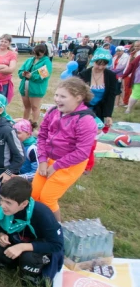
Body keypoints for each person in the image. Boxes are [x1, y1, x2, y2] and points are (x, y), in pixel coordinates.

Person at [33, 78, 97, 222]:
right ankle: (37, 223)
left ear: (78, 98)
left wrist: (57, 166)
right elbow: (42, 135)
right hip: (48, 158)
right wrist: (42, 160)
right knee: (35, 194)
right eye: (56, 95)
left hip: (70, 164)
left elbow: (82, 153)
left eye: (63, 96)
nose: (57, 99)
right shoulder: (53, 111)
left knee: (47, 198)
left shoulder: (85, 120)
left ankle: (56, 230)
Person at [0, 177, 64, 287]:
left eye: (8, 202)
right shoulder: (5, 208)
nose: (3, 205)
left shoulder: (42, 213)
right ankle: (13, 264)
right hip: (18, 240)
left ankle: (31, 276)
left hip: (40, 246)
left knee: (29, 258)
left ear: (23, 204)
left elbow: (57, 245)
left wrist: (22, 247)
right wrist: (1, 235)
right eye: (2, 199)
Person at [78, 48, 117, 129]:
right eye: (98, 64)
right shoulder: (83, 75)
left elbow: (110, 96)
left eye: (104, 64)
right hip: (83, 108)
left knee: (97, 131)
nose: (100, 67)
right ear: (93, 61)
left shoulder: (111, 76)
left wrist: (108, 115)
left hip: (99, 109)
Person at [18, 44, 52, 121]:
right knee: (27, 107)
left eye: (39, 55)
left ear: (44, 53)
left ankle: (34, 123)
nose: (36, 56)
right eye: (35, 53)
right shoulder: (29, 60)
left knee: (35, 107)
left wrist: (32, 76)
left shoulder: (46, 62)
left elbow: (44, 76)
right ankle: (24, 122)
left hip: (36, 89)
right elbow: (20, 71)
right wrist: (22, 73)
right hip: (24, 87)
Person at [123, 42, 140, 113]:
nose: (136, 47)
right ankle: (128, 109)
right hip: (138, 78)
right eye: (135, 46)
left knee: (135, 94)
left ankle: (129, 109)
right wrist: (125, 74)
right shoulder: (137, 55)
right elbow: (131, 65)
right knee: (135, 94)